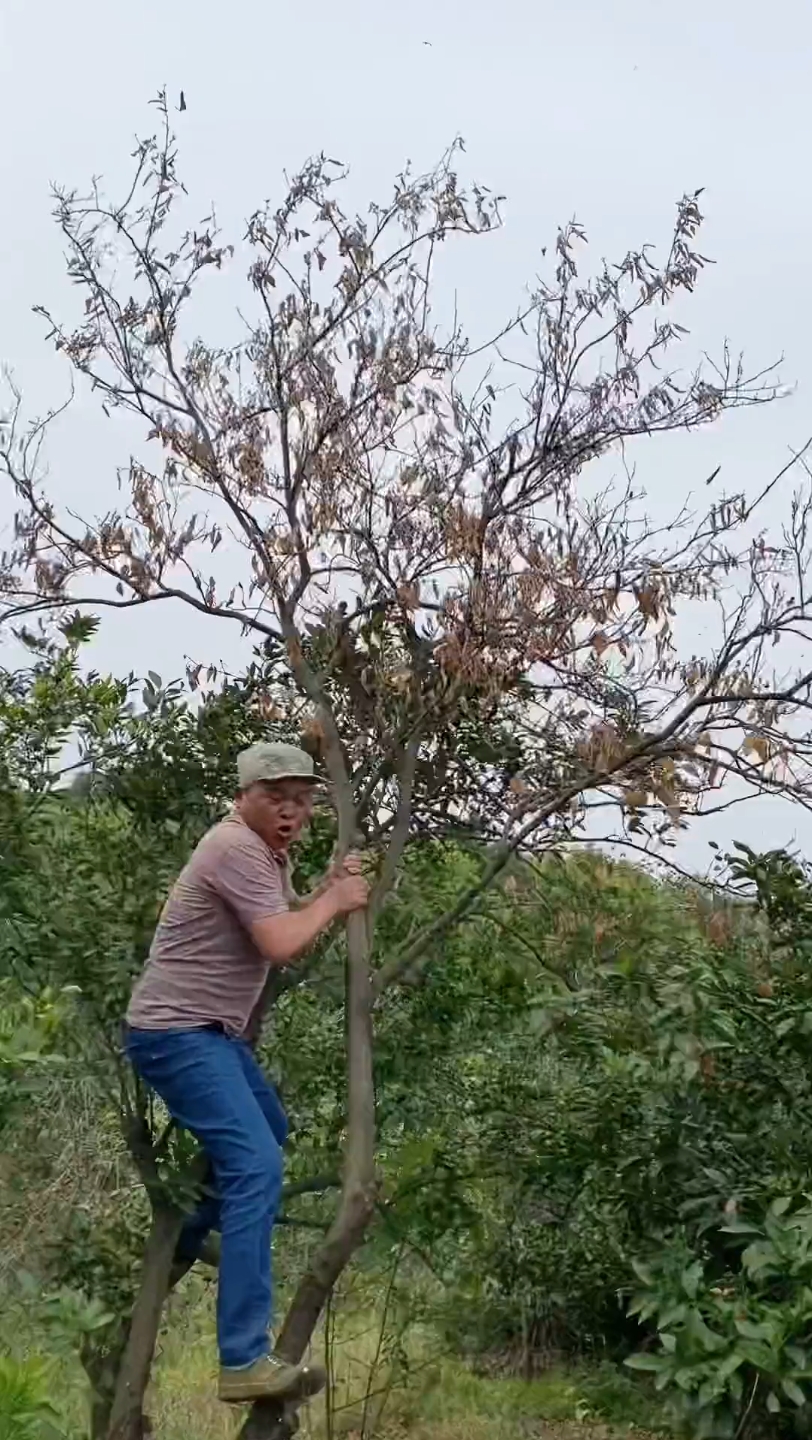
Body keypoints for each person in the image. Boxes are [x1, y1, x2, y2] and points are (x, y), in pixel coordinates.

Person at [125, 741, 369, 1405]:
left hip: (209, 1036)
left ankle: (184, 1241)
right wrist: (337, 901)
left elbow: (285, 914)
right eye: (276, 798)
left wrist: (324, 890)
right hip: (176, 1033)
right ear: (245, 797)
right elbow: (281, 943)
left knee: (269, 1127)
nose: (291, 811)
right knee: (257, 1164)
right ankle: (242, 1361)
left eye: (303, 800)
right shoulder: (233, 846)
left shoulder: (266, 855)